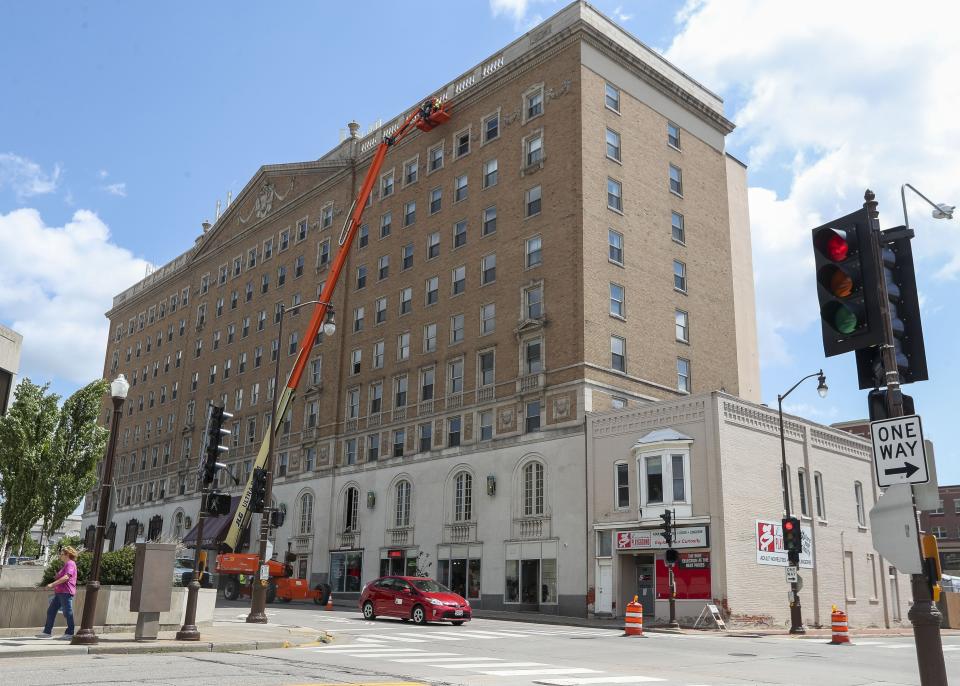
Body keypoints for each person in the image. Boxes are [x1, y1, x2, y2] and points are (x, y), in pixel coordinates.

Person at [37, 546, 78, 639]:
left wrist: (52, 584)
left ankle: (70, 633)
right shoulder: (66, 564)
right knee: (51, 611)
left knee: (68, 612)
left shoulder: (70, 563)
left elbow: (66, 577)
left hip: (66, 592)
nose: (60, 555)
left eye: (62, 554)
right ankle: (47, 632)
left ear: (67, 554)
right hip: (60, 592)